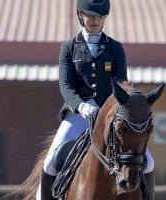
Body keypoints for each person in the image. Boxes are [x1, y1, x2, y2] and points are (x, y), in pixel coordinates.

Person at [37, 0, 155, 199]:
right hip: (78, 115)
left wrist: (108, 109)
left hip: (109, 116)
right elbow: (65, 85)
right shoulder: (69, 47)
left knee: (148, 162)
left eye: (99, 17)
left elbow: (122, 85)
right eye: (90, 16)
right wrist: (80, 106)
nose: (95, 20)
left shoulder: (115, 48)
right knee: (50, 162)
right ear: (81, 16)